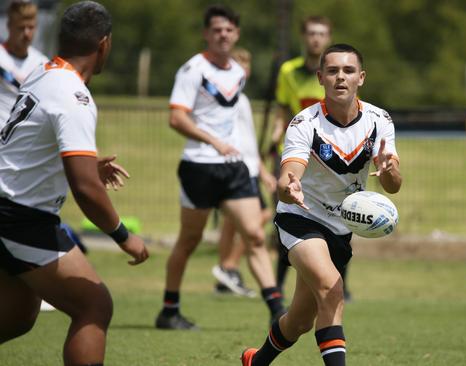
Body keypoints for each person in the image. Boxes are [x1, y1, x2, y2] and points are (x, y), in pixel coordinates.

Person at [0, 2, 149, 365]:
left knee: (17, 316)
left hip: (9, 208)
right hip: (18, 217)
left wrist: (80, 162)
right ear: (104, 45)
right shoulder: (74, 94)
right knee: (93, 304)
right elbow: (85, 190)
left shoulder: (41, 72)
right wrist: (124, 236)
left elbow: (26, 140)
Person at [241, 43, 402, 366]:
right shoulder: (305, 124)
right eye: (332, 71)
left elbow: (392, 186)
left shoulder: (378, 121)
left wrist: (390, 170)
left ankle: (256, 362)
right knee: (332, 287)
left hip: (341, 228)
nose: (340, 77)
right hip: (301, 218)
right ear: (320, 77)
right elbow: (289, 178)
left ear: (361, 78)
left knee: (299, 320)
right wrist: (290, 187)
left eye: (348, 71)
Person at [156, 5, 284, 330]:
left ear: (236, 34)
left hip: (234, 168)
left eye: (229, 30)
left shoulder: (237, 74)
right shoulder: (192, 70)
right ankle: (169, 310)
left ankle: (276, 311)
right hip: (199, 166)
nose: (223, 35)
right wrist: (212, 141)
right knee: (190, 240)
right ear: (206, 34)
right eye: (216, 30)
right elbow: (177, 118)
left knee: (255, 234)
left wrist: (251, 162)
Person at [271, 16, 351, 301]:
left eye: (322, 34)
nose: (316, 39)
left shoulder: (336, 72)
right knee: (289, 214)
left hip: (333, 154)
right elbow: (282, 109)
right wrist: (273, 140)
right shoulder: (288, 71)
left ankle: (342, 284)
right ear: (304, 37)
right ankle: (280, 283)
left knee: (342, 216)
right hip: (295, 154)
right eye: (312, 34)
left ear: (328, 38)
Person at [0, 0, 70, 313]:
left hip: (21, 156)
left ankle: (34, 277)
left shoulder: (43, 65)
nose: (27, 33)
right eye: (20, 28)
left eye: (32, 27)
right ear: (8, 27)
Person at [212, 47, 277, 298]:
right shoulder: (227, 99)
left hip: (248, 168)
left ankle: (226, 273)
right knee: (260, 215)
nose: (245, 69)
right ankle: (228, 266)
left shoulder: (243, 99)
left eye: (246, 64)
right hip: (236, 169)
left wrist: (262, 171)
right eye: (239, 63)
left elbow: (248, 141)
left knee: (233, 222)